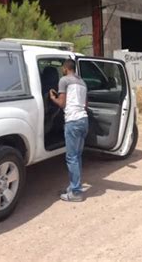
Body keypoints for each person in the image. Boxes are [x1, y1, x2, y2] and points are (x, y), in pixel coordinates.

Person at [50, 59, 89, 201]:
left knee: (71, 157)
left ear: (66, 68)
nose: (62, 71)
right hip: (84, 120)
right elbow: (85, 103)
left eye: (62, 69)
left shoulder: (64, 80)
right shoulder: (83, 83)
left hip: (73, 121)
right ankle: (74, 186)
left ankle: (76, 193)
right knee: (77, 156)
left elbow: (61, 103)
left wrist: (53, 97)